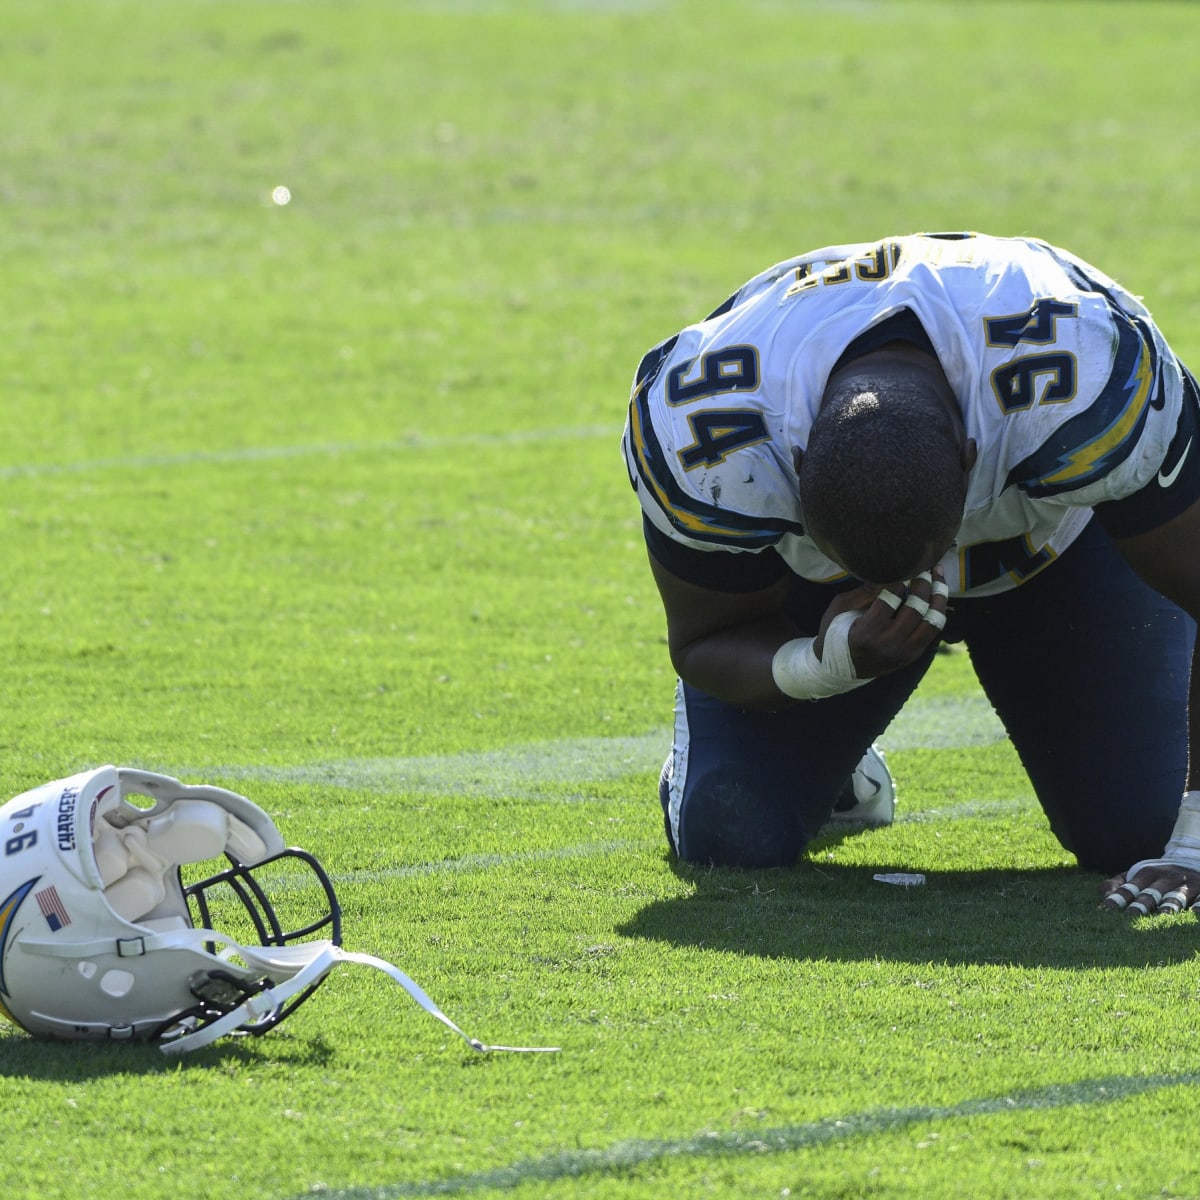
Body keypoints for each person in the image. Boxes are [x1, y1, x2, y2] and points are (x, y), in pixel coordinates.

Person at [620, 232, 1200, 916]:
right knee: (730, 828)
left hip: (1057, 551)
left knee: (1140, 825)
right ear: (796, 462)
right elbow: (701, 639)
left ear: (971, 454)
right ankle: (835, 767)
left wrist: (1192, 845)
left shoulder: (1093, 378)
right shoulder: (704, 431)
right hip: (832, 603)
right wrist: (822, 665)